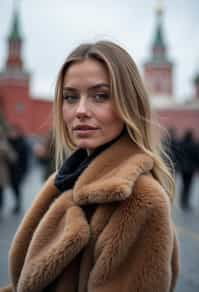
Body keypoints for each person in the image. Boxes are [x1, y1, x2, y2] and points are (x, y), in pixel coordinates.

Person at [1, 41, 179, 292]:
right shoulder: (64, 181)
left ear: (129, 104)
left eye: (100, 96)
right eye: (71, 97)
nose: (81, 111)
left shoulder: (139, 200)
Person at [7, 125, 30, 213]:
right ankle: (17, 202)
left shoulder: (22, 143)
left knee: (17, 187)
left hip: (19, 170)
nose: (12, 134)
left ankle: (18, 204)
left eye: (14, 132)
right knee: (13, 187)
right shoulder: (8, 143)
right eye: (11, 133)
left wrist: (25, 170)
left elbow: (25, 159)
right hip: (10, 170)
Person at [179, 130, 198, 210]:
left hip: (183, 168)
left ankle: (182, 201)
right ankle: (186, 202)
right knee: (188, 186)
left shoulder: (181, 144)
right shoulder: (194, 145)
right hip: (191, 169)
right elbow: (197, 157)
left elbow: (178, 155)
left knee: (183, 185)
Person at [0, 128, 17, 214]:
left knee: (1, 192)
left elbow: (13, 157)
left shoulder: (4, 145)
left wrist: (4, 151)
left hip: (2, 173)